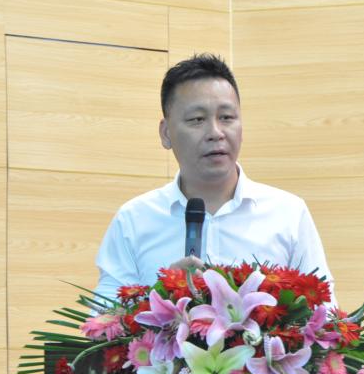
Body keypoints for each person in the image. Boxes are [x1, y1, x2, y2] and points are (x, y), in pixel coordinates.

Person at [94, 54, 334, 300]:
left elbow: (324, 313)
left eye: (226, 118)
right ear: (166, 133)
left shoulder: (288, 214)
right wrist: (159, 298)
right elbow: (103, 317)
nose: (216, 132)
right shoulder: (133, 220)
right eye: (197, 120)